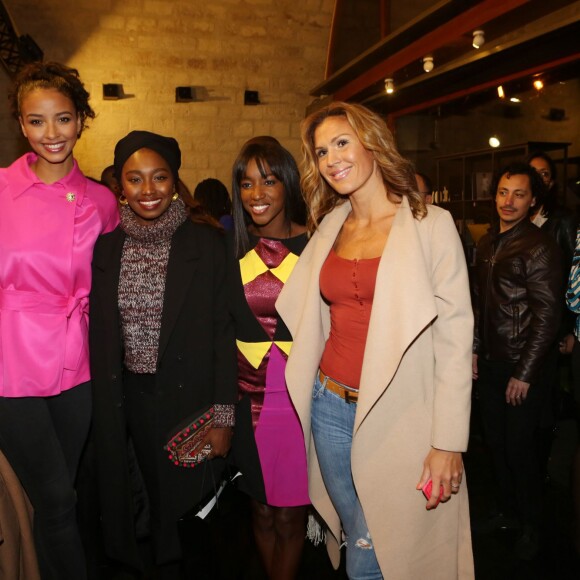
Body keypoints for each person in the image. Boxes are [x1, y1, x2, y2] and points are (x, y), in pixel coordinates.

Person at [276, 101, 474, 579]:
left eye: (342, 143)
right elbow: (307, 313)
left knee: (377, 549)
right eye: (322, 151)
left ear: (372, 143)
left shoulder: (431, 225)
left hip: (401, 414)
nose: (331, 159)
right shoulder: (330, 226)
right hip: (329, 407)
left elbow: (455, 340)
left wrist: (448, 441)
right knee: (358, 530)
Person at [89, 131, 236, 578]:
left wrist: (223, 417)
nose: (147, 190)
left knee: (187, 520)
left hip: (189, 402)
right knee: (142, 510)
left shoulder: (206, 245)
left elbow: (222, 334)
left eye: (159, 178)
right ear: (120, 185)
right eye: (135, 179)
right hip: (128, 402)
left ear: (175, 182)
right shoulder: (107, 248)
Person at [0, 61, 119, 580]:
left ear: (81, 120)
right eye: (37, 121)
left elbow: (114, 287)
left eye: (63, 119)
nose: (52, 133)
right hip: (9, 363)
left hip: (77, 363)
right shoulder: (1, 189)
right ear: (21, 125)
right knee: (54, 495)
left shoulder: (101, 200)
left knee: (58, 500)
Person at [228, 138, 309, 579]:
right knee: (260, 512)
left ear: (288, 184)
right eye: (246, 183)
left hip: (298, 405)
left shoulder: (316, 247)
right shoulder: (229, 252)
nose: (256, 193)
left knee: (289, 516)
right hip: (247, 403)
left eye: (269, 180)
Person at [473, 162, 562, 560]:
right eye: (503, 192)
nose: (508, 202)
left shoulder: (539, 246)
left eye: (519, 194)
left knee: (521, 450)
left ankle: (533, 526)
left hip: (520, 368)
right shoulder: (489, 243)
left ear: (533, 201)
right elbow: (479, 306)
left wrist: (525, 373)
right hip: (491, 363)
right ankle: (508, 513)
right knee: (495, 445)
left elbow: (548, 316)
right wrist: (475, 349)